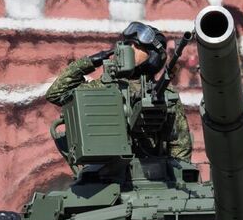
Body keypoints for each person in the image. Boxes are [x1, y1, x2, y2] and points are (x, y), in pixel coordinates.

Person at [45, 21, 194, 161]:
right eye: (128, 44)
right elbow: (56, 94)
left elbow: (180, 143)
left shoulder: (165, 94)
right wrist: (89, 62)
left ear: (153, 55)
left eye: (137, 46)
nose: (129, 49)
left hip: (150, 174)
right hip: (106, 174)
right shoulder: (104, 87)